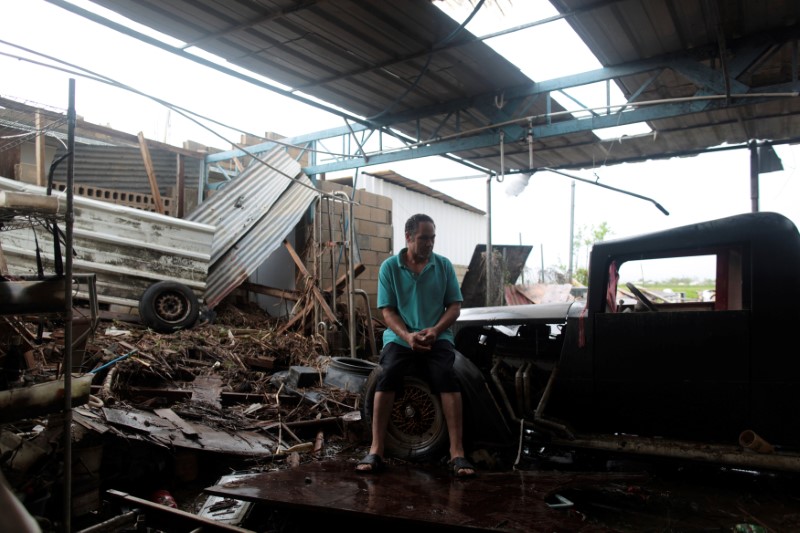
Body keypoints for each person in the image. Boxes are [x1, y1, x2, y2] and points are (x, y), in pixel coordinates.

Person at [355, 213, 476, 478]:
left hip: (438, 336)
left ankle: (457, 452)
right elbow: (388, 311)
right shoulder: (389, 267)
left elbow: (454, 307)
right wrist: (408, 337)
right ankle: (376, 449)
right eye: (424, 238)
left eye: (432, 238)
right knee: (387, 374)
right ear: (408, 237)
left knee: (446, 375)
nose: (430, 243)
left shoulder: (443, 266)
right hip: (400, 338)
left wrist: (435, 330)